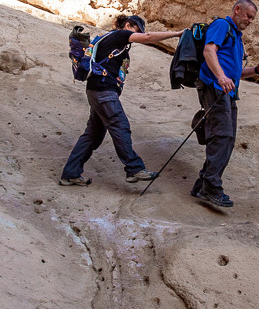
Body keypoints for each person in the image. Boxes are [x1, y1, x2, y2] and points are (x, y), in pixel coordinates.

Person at [60, 15, 184, 186]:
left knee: (93, 136)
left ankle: (70, 173)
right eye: (137, 30)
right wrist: (177, 34)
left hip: (98, 91)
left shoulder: (116, 42)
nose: (139, 35)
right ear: (127, 25)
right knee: (120, 126)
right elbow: (147, 38)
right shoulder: (119, 35)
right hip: (104, 92)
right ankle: (134, 169)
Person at [192, 0, 259, 208]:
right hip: (215, 88)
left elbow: (235, 74)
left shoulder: (237, 37)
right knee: (223, 136)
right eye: (248, 16)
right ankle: (211, 187)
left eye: (252, 18)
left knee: (226, 138)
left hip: (227, 91)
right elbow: (209, 51)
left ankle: (202, 184)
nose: (250, 21)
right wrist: (220, 77)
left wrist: (256, 70)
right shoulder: (222, 26)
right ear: (237, 10)